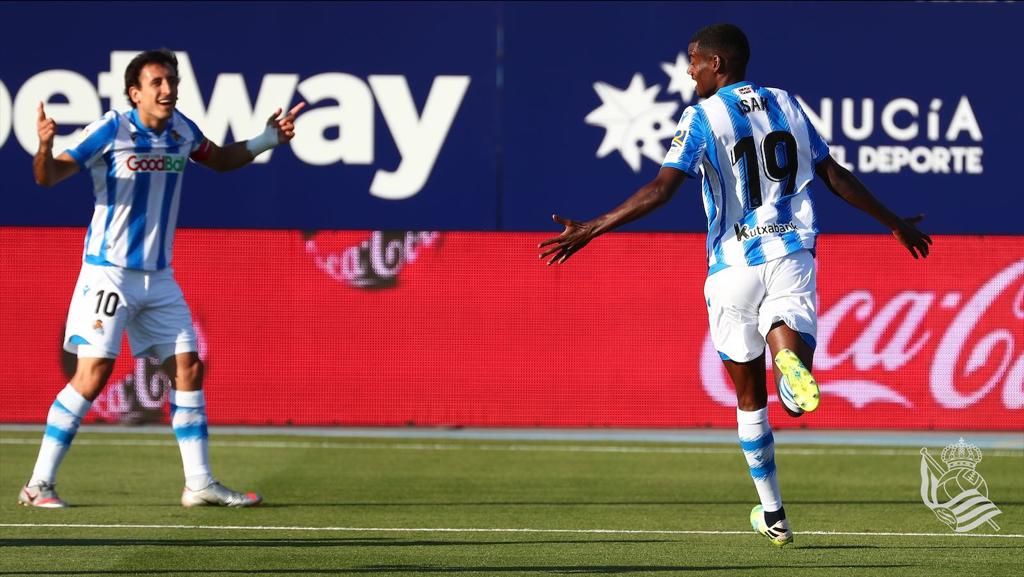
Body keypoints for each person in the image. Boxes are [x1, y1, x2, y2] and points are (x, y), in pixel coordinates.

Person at [539, 23, 931, 547]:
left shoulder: (701, 117)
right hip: (791, 249)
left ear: (717, 64)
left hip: (731, 266)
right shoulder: (787, 102)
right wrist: (893, 221)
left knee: (749, 401)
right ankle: (790, 362)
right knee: (788, 357)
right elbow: (832, 173)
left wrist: (591, 227)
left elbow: (661, 189)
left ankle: (773, 514)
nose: (688, 70)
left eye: (694, 60)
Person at [20, 49, 306, 508]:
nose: (168, 89)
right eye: (157, 82)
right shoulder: (111, 129)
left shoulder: (180, 130)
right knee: (93, 377)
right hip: (108, 275)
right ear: (135, 93)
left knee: (188, 369)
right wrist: (45, 148)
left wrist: (266, 140)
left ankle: (199, 483)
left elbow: (221, 159)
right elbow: (49, 178)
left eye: (171, 80)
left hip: (159, 278)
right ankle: (38, 486)